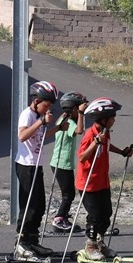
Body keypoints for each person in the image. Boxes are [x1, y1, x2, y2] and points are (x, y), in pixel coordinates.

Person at [76, 97, 133, 261]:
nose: (114, 120)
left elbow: (107, 146)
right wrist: (95, 143)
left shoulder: (105, 133)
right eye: (112, 117)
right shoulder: (91, 134)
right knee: (94, 216)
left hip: (102, 181)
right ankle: (90, 246)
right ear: (103, 119)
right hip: (89, 184)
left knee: (106, 214)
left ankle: (99, 243)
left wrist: (122, 152)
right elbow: (81, 157)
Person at [14, 80, 59, 259]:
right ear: (36, 101)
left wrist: (57, 128)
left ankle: (33, 240)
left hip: (35, 164)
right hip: (25, 165)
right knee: (29, 205)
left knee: (39, 205)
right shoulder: (28, 115)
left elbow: (39, 136)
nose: (47, 110)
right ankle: (21, 242)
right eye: (45, 106)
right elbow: (23, 135)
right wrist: (41, 121)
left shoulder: (37, 116)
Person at [50, 90, 87, 233]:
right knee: (69, 194)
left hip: (59, 163)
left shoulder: (62, 119)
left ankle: (64, 217)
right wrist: (81, 114)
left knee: (68, 192)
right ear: (74, 109)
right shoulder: (70, 122)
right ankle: (59, 219)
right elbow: (79, 130)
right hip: (62, 163)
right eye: (79, 109)